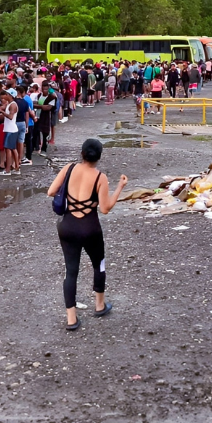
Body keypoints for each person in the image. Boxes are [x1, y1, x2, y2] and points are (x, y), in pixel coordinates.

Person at [47, 139, 127, 331]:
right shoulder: (100, 178)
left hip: (67, 227)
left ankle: (71, 319)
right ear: (99, 157)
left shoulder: (69, 168)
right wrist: (120, 187)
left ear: (82, 153)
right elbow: (105, 208)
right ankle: (99, 305)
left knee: (70, 271)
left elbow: (51, 191)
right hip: (90, 228)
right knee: (98, 264)